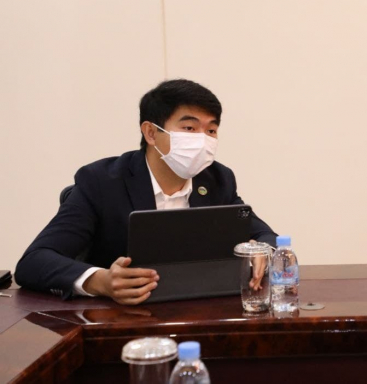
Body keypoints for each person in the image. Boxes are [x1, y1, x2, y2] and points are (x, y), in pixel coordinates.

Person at [15, 79, 276, 304]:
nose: (202, 140)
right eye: (189, 128)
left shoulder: (218, 179)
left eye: (211, 130)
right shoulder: (101, 182)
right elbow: (34, 262)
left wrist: (262, 251)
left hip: (201, 309)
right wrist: (101, 281)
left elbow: (265, 235)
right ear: (151, 133)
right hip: (121, 318)